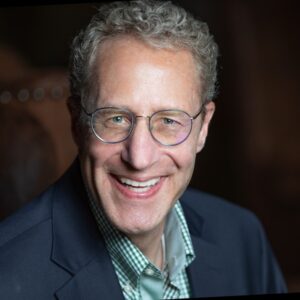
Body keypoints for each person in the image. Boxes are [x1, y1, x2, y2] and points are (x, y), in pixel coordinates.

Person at [0, 1, 287, 299]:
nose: (139, 157)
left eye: (168, 121)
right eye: (116, 119)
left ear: (203, 128)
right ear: (77, 122)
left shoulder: (242, 238)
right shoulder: (8, 278)